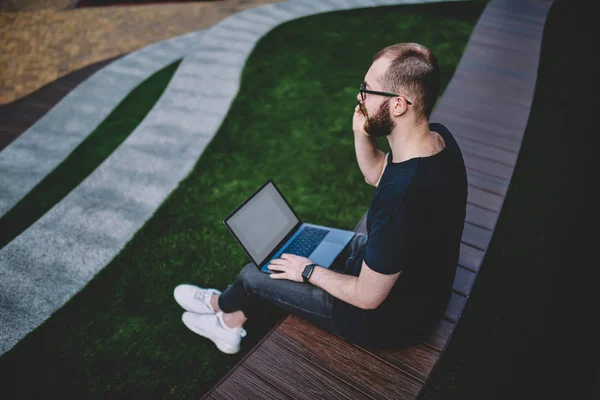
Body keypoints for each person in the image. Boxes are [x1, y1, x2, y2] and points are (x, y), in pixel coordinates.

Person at [173, 42, 467, 354]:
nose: (359, 97)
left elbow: (367, 297)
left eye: (367, 90)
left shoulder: (400, 199)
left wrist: (308, 271)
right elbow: (377, 173)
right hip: (419, 286)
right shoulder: (437, 139)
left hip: (388, 321)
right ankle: (228, 311)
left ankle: (224, 320)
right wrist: (360, 132)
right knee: (312, 240)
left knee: (254, 273)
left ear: (398, 105)